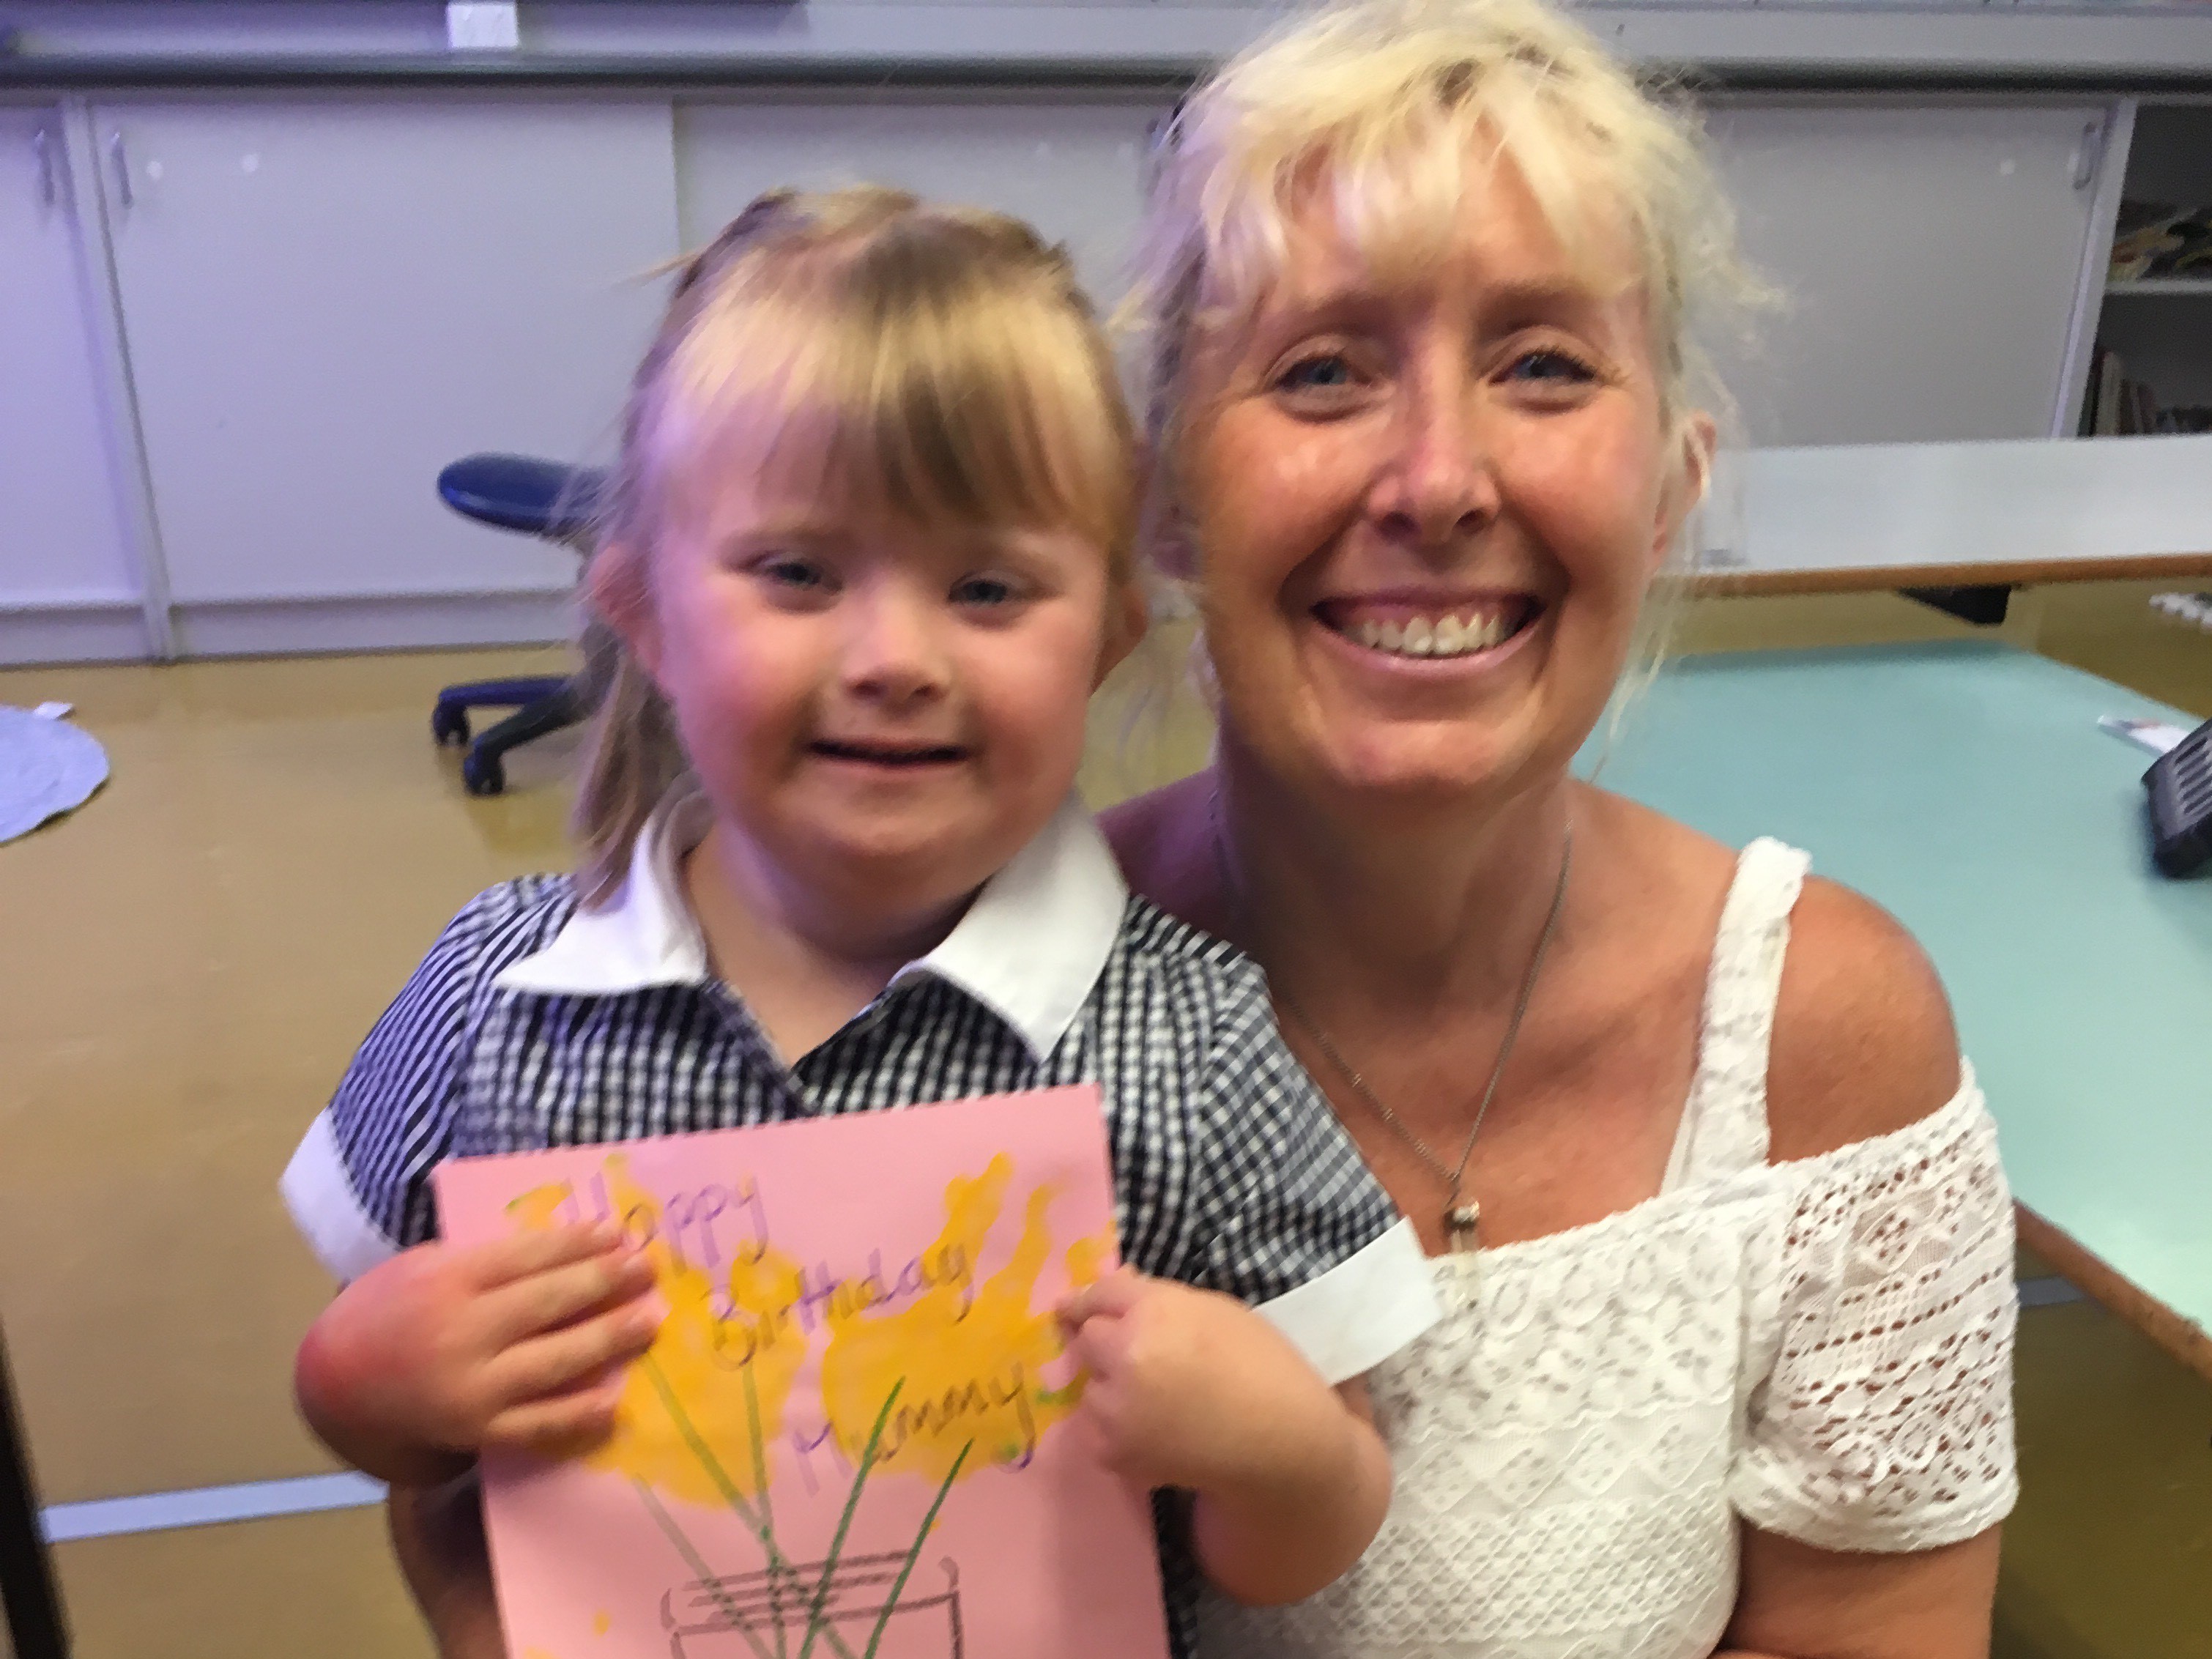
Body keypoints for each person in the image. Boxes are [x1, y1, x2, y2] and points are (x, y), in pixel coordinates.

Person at [279, 187, 1439, 1658]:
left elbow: (1310, 1537)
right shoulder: (492, 998)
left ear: (1103, 634)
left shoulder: (1190, 1041)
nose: (894, 656)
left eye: (985, 584)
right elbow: (396, 1433)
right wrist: (361, 1377)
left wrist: (1275, 1440)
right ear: (640, 609)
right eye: (799, 572)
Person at [1101, 1, 2020, 1654]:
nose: (1439, 480)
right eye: (1320, 370)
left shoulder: (1825, 1045)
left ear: (1669, 484)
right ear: (1165, 491)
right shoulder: (960, 1003)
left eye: (1541, 364)